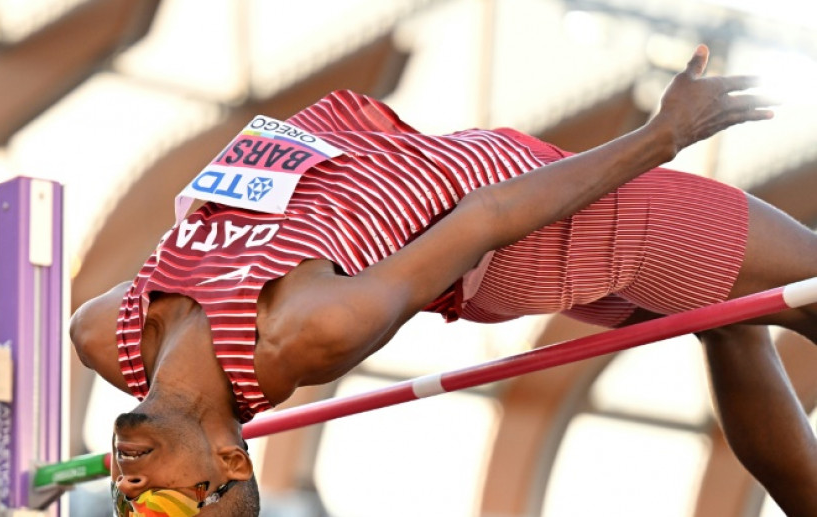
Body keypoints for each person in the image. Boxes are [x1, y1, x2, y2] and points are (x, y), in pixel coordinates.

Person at [69, 45, 817, 516]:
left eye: (132, 509)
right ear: (231, 460)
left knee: (727, 318)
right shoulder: (306, 331)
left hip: (438, 184)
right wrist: (664, 135)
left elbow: (216, 235)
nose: (134, 495)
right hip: (537, 226)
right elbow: (486, 218)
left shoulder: (105, 334)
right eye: (175, 506)